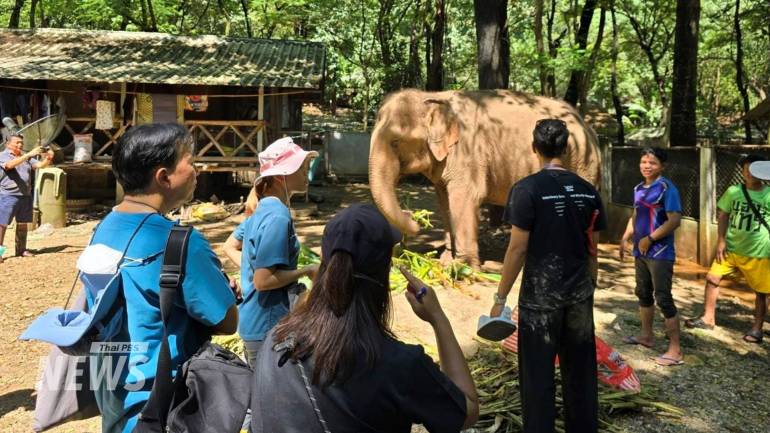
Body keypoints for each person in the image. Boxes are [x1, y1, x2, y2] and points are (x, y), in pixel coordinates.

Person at [250, 203, 478, 433]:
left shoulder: (276, 339)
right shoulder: (399, 365)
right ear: (385, 272)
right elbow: (466, 413)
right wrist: (438, 319)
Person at [91, 123, 238, 433]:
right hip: (163, 404)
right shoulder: (181, 242)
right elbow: (226, 322)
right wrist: (228, 291)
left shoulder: (104, 228)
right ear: (163, 176)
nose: (198, 170)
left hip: (114, 394)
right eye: (191, 162)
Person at [489, 119, 606, 433]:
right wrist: (589, 285)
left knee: (537, 377)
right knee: (581, 373)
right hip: (579, 296)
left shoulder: (526, 190)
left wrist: (500, 299)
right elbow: (593, 248)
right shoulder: (587, 191)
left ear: (534, 148)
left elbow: (517, 250)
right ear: (567, 148)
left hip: (540, 302)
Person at [222, 137, 319, 367]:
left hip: (253, 323)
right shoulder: (277, 216)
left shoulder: (262, 209)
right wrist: (306, 270)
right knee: (267, 398)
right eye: (300, 168)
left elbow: (229, 247)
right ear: (279, 176)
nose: (306, 172)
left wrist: (251, 267)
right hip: (267, 328)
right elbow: (263, 281)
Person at [685, 155, 770, 343]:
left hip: (759, 252)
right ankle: (708, 318)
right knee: (712, 277)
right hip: (731, 249)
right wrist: (721, 241)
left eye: (753, 169)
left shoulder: (768, 194)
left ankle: (757, 328)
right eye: (745, 169)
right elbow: (723, 216)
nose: (748, 173)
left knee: (761, 291)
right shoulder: (733, 191)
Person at [619, 147, 683, 366]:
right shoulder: (638, 188)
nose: (646, 166)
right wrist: (626, 237)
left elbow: (674, 220)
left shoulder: (667, 188)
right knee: (643, 293)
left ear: (661, 166)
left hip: (660, 253)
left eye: (652, 163)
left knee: (663, 297)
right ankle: (647, 336)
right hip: (641, 251)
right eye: (643, 162)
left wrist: (651, 238)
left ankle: (675, 350)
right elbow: (636, 214)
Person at [0, 133, 54, 262]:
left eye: (21, 143)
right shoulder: (3, 155)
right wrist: (28, 154)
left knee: (23, 224)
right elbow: (9, 166)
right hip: (8, 195)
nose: (20, 145)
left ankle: (21, 249)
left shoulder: (25, 157)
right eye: (17, 142)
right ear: (8, 144)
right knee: (2, 224)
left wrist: (48, 157)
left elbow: (39, 166)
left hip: (25, 195)